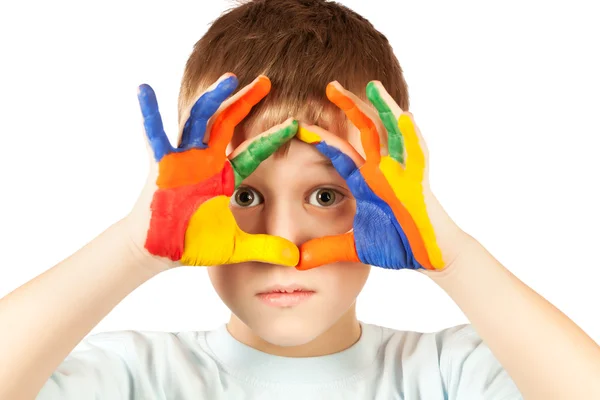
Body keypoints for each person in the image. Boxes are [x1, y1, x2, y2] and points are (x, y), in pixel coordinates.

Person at [1, 0, 599, 399]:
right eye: (244, 193)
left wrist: (457, 257)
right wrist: (134, 247)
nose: (284, 241)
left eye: (325, 193)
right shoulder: (132, 377)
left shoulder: (450, 373)